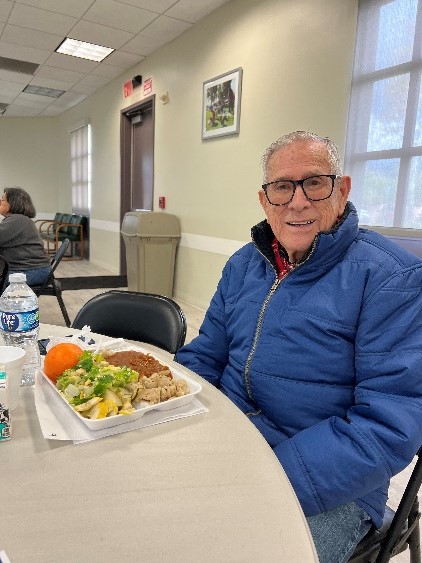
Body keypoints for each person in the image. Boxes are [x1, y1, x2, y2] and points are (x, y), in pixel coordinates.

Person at [175, 131, 422, 562]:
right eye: (282, 187)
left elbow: (388, 424)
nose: (298, 201)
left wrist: (264, 475)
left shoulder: (391, 278)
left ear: (341, 189)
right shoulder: (242, 265)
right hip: (229, 443)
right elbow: (205, 356)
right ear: (264, 200)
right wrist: (168, 409)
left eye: (315, 182)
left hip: (328, 481)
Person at [0, 187, 51, 286]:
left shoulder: (17, 220)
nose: (0, 202)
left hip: (31, 270)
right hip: (35, 269)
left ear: (13, 203)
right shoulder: (19, 219)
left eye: (3, 199)